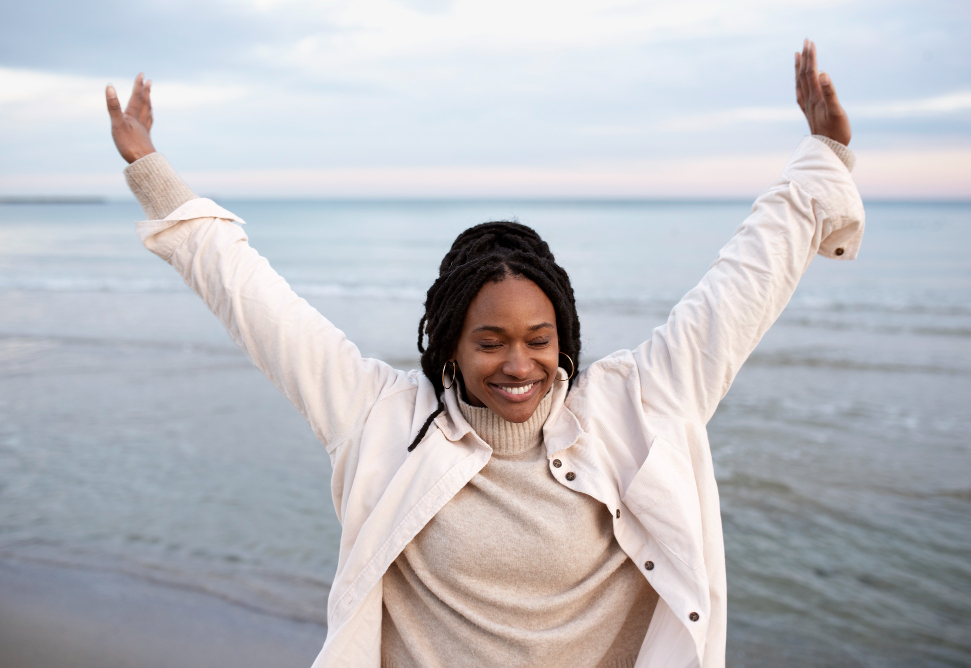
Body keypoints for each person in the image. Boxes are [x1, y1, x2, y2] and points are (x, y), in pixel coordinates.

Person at [104, 39, 863, 668]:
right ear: (450, 348)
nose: (519, 365)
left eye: (539, 340)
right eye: (489, 341)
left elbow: (739, 288)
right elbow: (258, 304)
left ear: (563, 337)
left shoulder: (638, 405)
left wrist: (822, 156)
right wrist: (151, 172)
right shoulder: (382, 419)